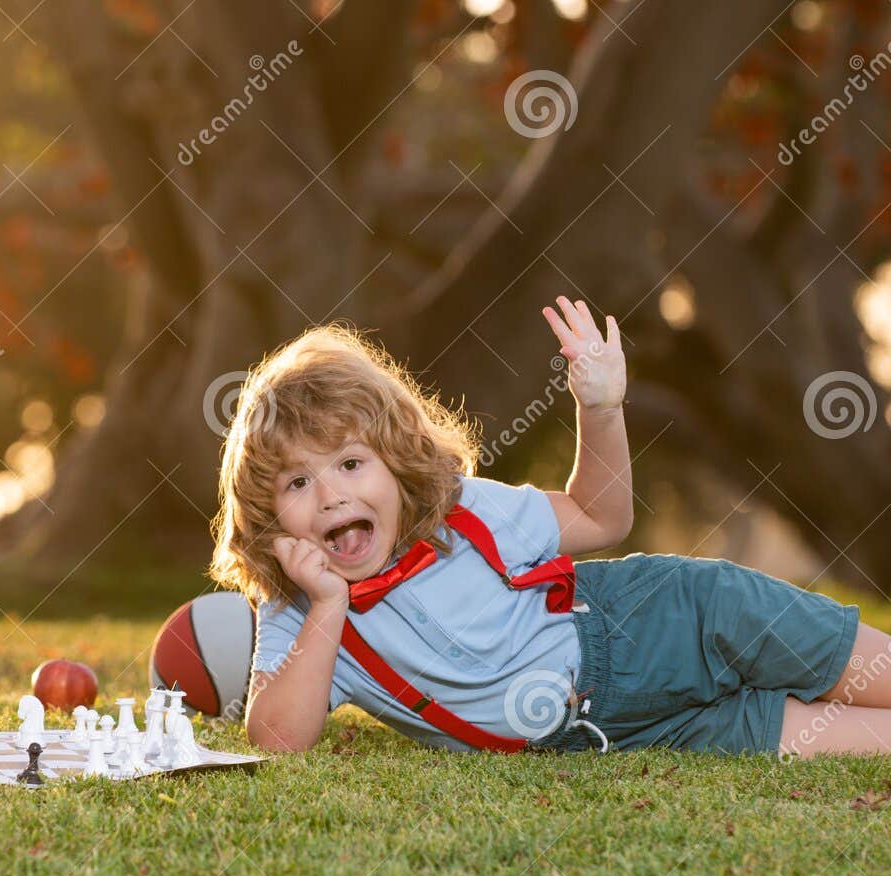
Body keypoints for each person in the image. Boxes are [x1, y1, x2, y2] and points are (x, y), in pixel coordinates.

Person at [212, 297, 888, 759]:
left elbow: (601, 515)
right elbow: (276, 739)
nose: (330, 495)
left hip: (666, 621)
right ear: (271, 519)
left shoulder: (461, 513)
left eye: (351, 463)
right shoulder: (299, 614)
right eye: (298, 482)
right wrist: (327, 604)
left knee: (859, 671)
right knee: (833, 737)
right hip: (617, 732)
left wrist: (599, 409)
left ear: (396, 464)